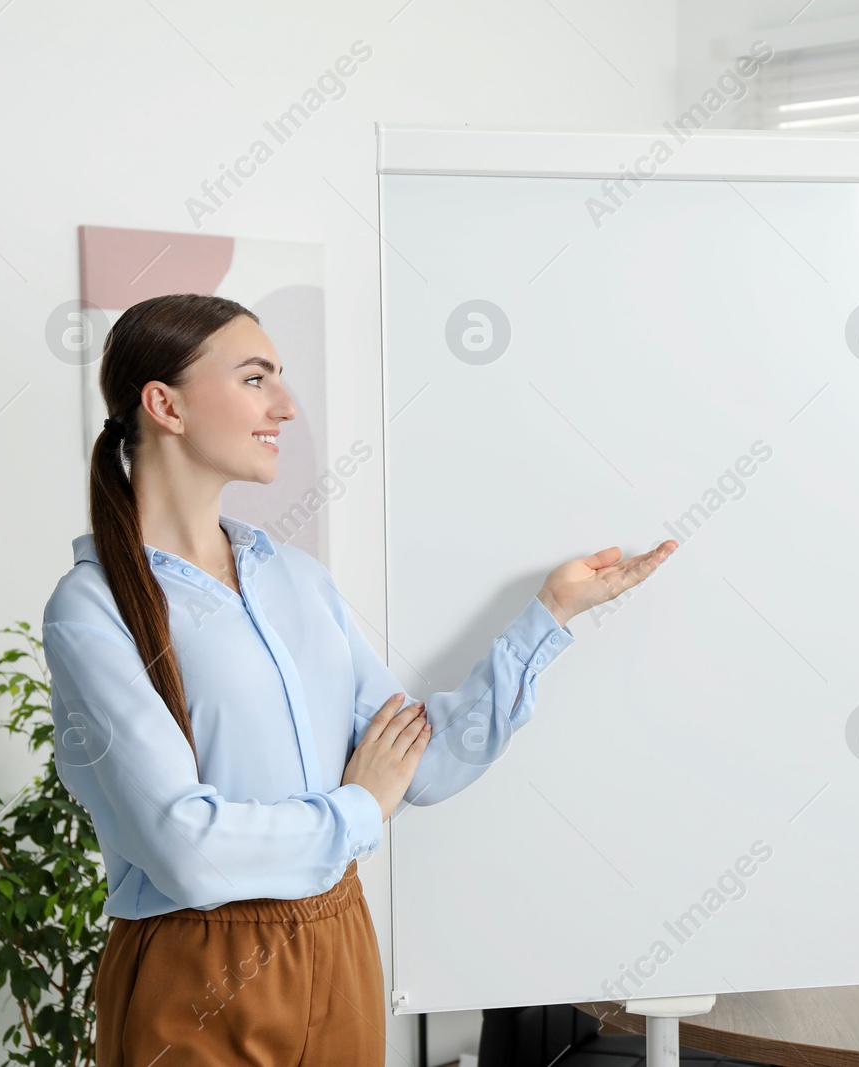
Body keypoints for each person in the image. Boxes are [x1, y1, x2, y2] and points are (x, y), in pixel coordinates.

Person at [41, 293, 676, 1066]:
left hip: (339, 939)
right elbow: (183, 847)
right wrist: (356, 806)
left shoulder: (298, 581)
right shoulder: (92, 606)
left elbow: (421, 763)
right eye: (254, 378)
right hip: (195, 964)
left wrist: (550, 613)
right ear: (164, 404)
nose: (285, 404)